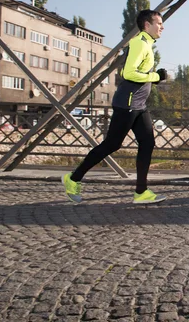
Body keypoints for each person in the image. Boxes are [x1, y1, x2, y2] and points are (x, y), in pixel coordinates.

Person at [62, 10, 168, 204]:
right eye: (159, 23)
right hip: (127, 103)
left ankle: (141, 192)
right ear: (147, 25)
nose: (162, 27)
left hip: (138, 104)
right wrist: (156, 77)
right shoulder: (139, 43)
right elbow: (128, 73)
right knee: (112, 144)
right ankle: (73, 178)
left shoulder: (146, 45)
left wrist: (153, 79)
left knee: (147, 143)